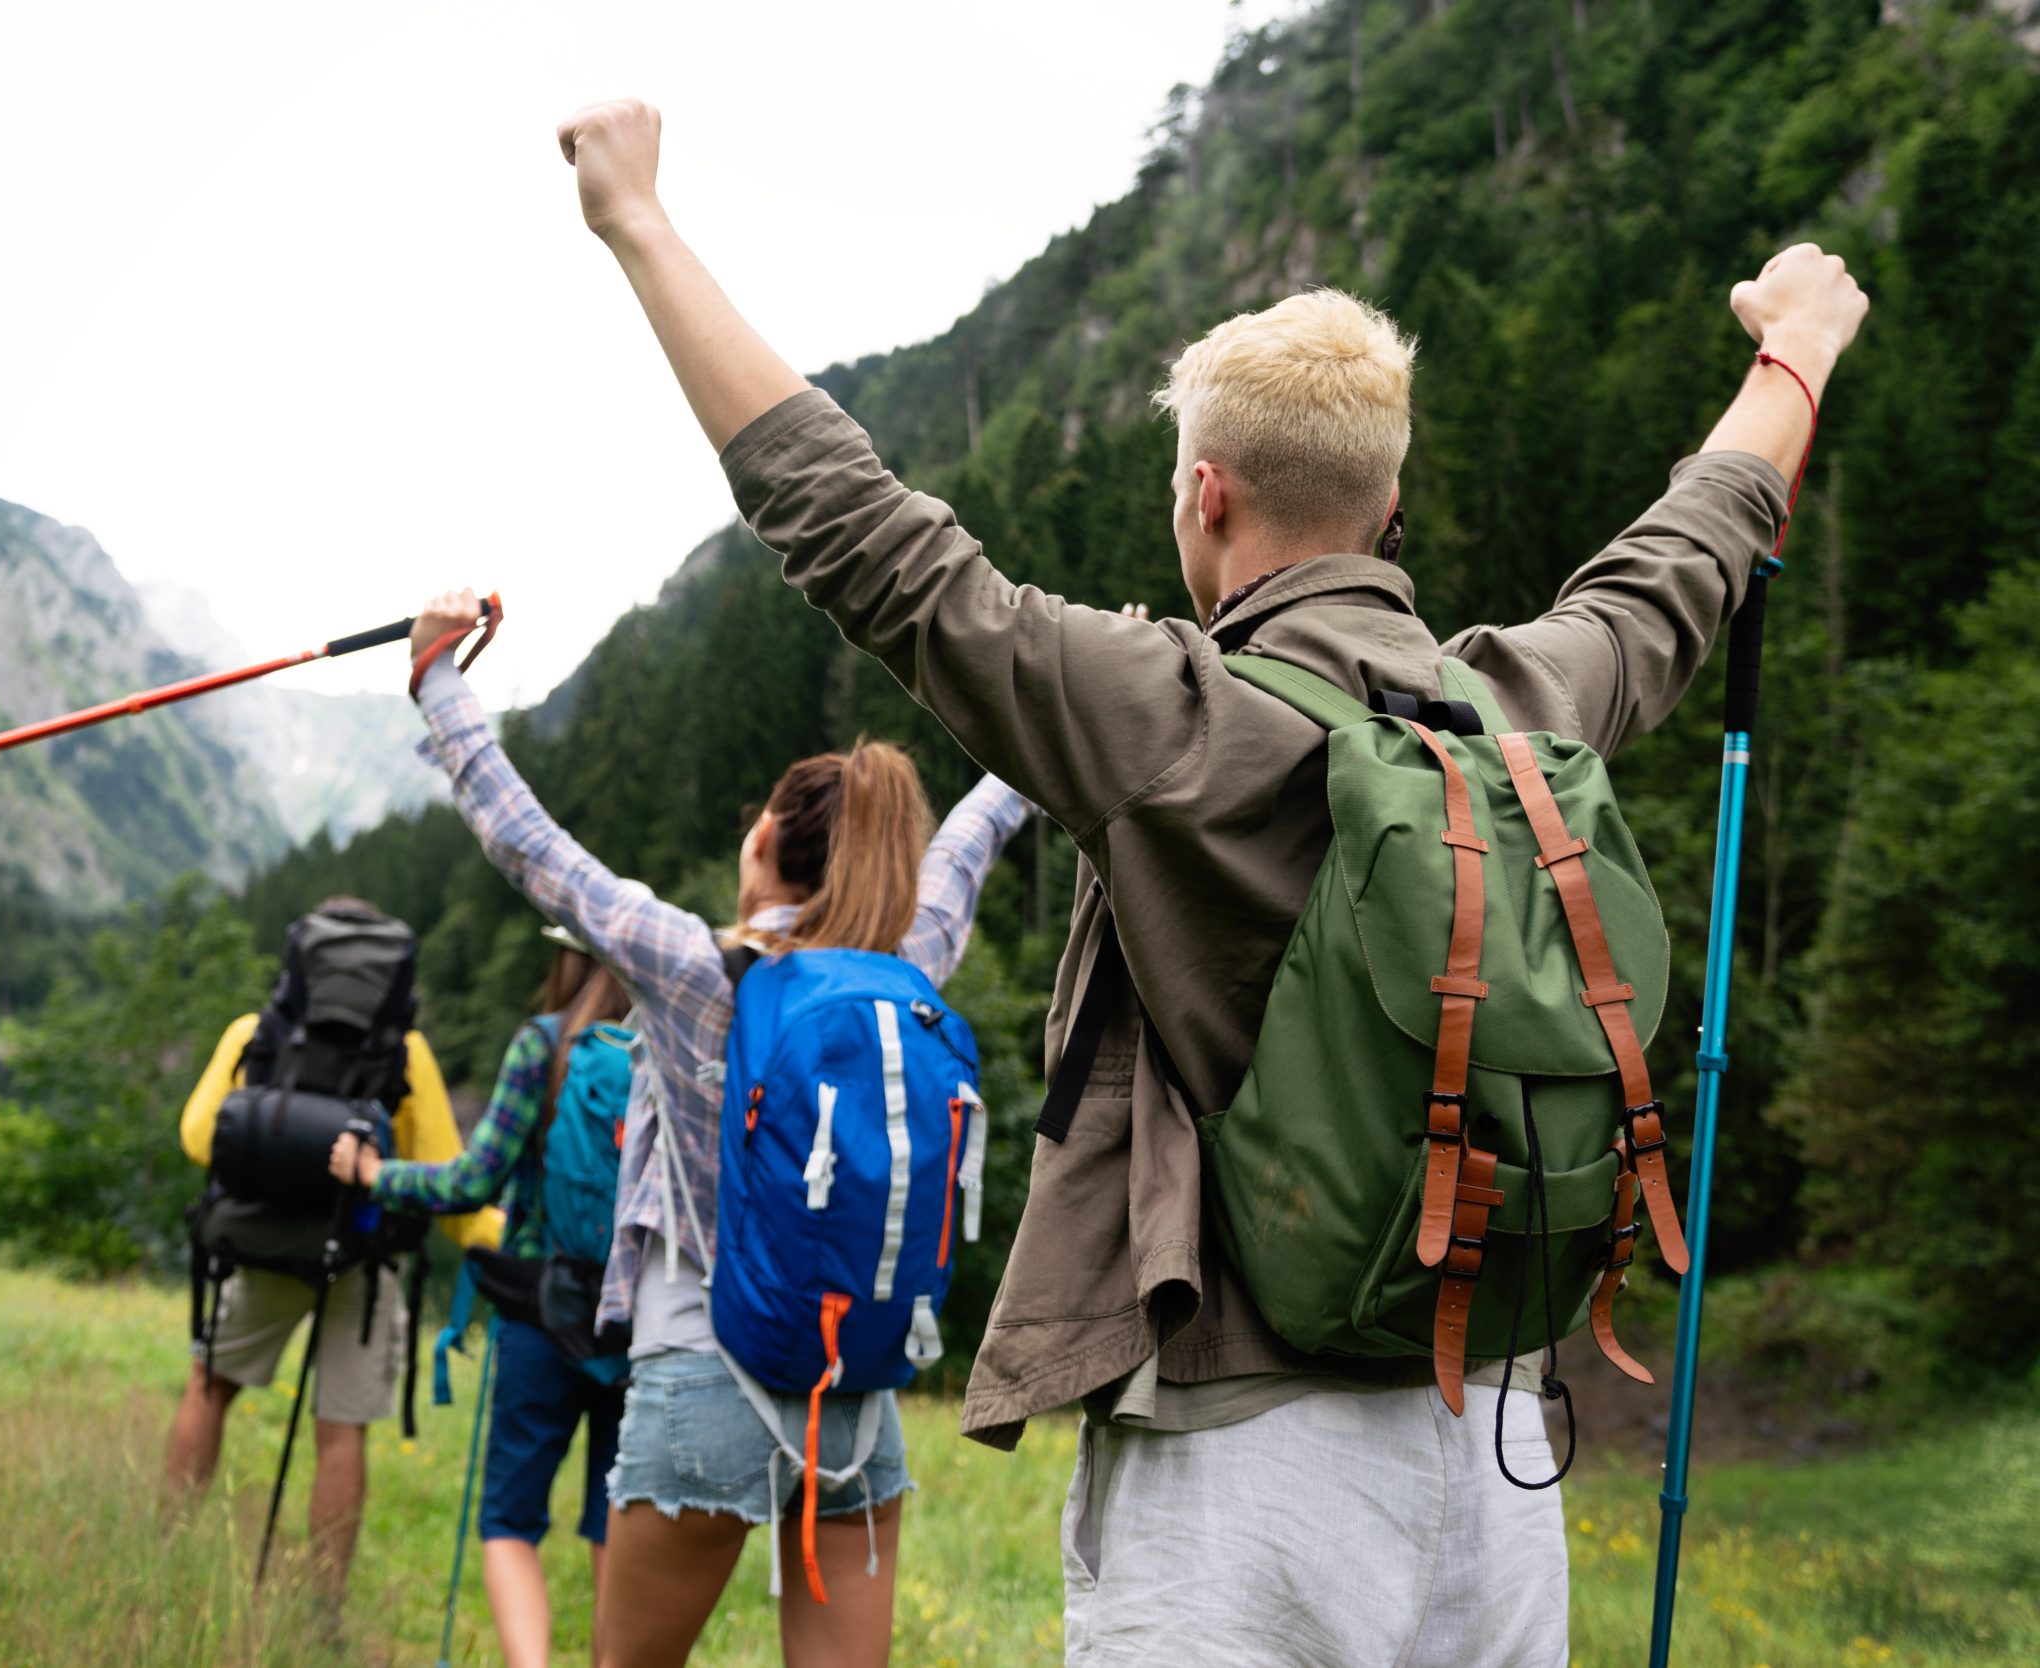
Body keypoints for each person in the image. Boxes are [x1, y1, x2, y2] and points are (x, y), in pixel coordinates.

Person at [553, 98, 1869, 1666]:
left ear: (1207, 497)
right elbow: (1691, 549)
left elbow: (863, 537)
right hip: (1499, 1455)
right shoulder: (1524, 708)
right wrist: (1798, 345)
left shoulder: (1170, 717)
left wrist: (638, 223)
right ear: (1387, 508)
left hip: (1242, 1459)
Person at [395, 590, 1029, 1668]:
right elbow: (976, 829)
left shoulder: (695, 969)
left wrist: (437, 679)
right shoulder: (912, 964)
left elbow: (531, 847)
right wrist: (1069, 695)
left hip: (705, 1379)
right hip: (856, 1405)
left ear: (767, 843)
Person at [162, 898, 501, 1614]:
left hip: (260, 1244)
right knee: (340, 1428)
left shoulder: (255, 1035)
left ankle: (163, 1559)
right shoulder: (405, 1053)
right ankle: (320, 1614)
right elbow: (446, 1186)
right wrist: (510, 1237)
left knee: (210, 1385)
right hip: (359, 1259)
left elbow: (199, 1138)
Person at [330, 930, 635, 1668]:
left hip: (538, 1313)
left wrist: (376, 1174)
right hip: (639, 1324)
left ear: (567, 957)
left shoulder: (543, 1045)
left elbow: (471, 1180)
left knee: (508, 1521)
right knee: (616, 1530)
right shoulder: (672, 1050)